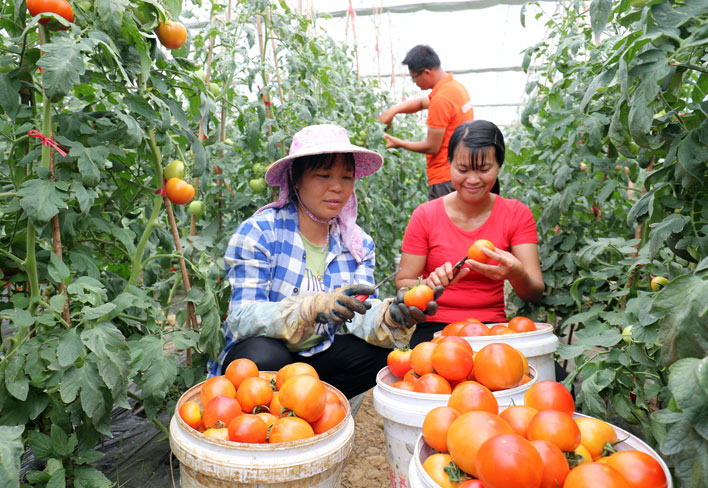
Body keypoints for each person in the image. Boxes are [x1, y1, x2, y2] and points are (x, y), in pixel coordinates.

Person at [218, 124, 442, 399]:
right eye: (323, 175)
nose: (337, 187)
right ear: (296, 179)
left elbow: (359, 316)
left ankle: (318, 411)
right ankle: (264, 422)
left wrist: (390, 317)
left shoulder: (357, 244)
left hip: (320, 356)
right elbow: (241, 319)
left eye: (347, 178)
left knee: (385, 353)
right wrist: (308, 308)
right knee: (263, 355)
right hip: (268, 363)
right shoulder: (260, 233)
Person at [395, 120, 544, 347]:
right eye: (462, 170)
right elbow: (403, 284)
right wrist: (427, 284)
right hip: (432, 328)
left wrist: (516, 273)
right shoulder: (425, 215)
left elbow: (533, 291)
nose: (472, 180)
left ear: (499, 165)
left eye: (484, 169)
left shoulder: (517, 214)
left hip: (491, 329)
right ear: (450, 163)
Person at [378, 45, 474, 200]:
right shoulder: (455, 89)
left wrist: (398, 143)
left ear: (427, 72)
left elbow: (432, 147)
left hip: (444, 178)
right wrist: (393, 110)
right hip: (459, 171)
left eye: (414, 77)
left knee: (444, 223)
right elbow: (422, 103)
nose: (414, 82)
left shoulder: (441, 100)